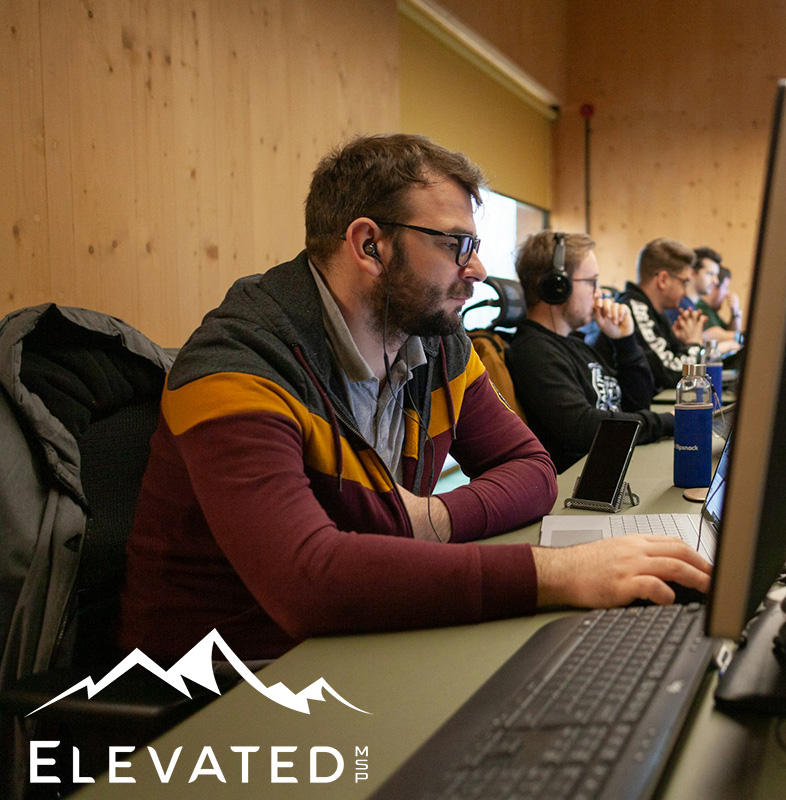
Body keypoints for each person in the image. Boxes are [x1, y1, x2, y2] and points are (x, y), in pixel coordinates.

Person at [119, 134, 711, 662]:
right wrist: (556, 572)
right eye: (457, 244)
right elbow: (309, 582)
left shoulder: (436, 341)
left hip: (359, 640)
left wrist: (434, 517)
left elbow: (533, 471)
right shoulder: (240, 363)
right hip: (228, 690)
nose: (477, 268)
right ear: (369, 245)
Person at [507, 231, 674, 473]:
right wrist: (668, 422)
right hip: (581, 487)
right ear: (557, 287)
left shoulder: (576, 344)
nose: (598, 293)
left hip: (616, 467)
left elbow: (639, 404)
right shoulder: (534, 351)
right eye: (591, 282)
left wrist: (624, 341)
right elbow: (581, 428)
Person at [604, 238, 706, 390]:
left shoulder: (655, 311)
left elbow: (667, 363)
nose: (685, 292)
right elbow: (671, 374)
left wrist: (682, 344)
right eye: (684, 283)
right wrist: (694, 344)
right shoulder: (635, 309)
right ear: (663, 280)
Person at [691, 247, 743, 351]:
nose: (715, 281)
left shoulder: (711, 311)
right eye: (710, 274)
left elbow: (730, 332)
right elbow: (713, 335)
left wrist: (735, 313)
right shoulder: (698, 306)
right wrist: (733, 342)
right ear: (692, 273)